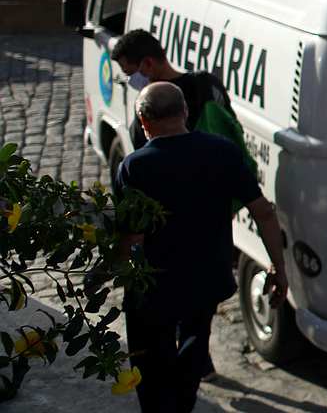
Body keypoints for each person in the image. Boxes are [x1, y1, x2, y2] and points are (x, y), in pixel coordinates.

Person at [113, 82, 287, 413]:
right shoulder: (223, 151)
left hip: (154, 283)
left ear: (143, 120)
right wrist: (278, 267)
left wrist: (111, 270)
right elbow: (264, 211)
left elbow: (131, 237)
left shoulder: (135, 166)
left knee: (151, 358)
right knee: (195, 338)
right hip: (207, 274)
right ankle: (183, 402)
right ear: (185, 112)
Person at [111, 29, 253, 169]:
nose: (129, 80)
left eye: (129, 73)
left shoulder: (147, 104)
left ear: (148, 63)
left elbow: (143, 157)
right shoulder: (207, 84)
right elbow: (231, 126)